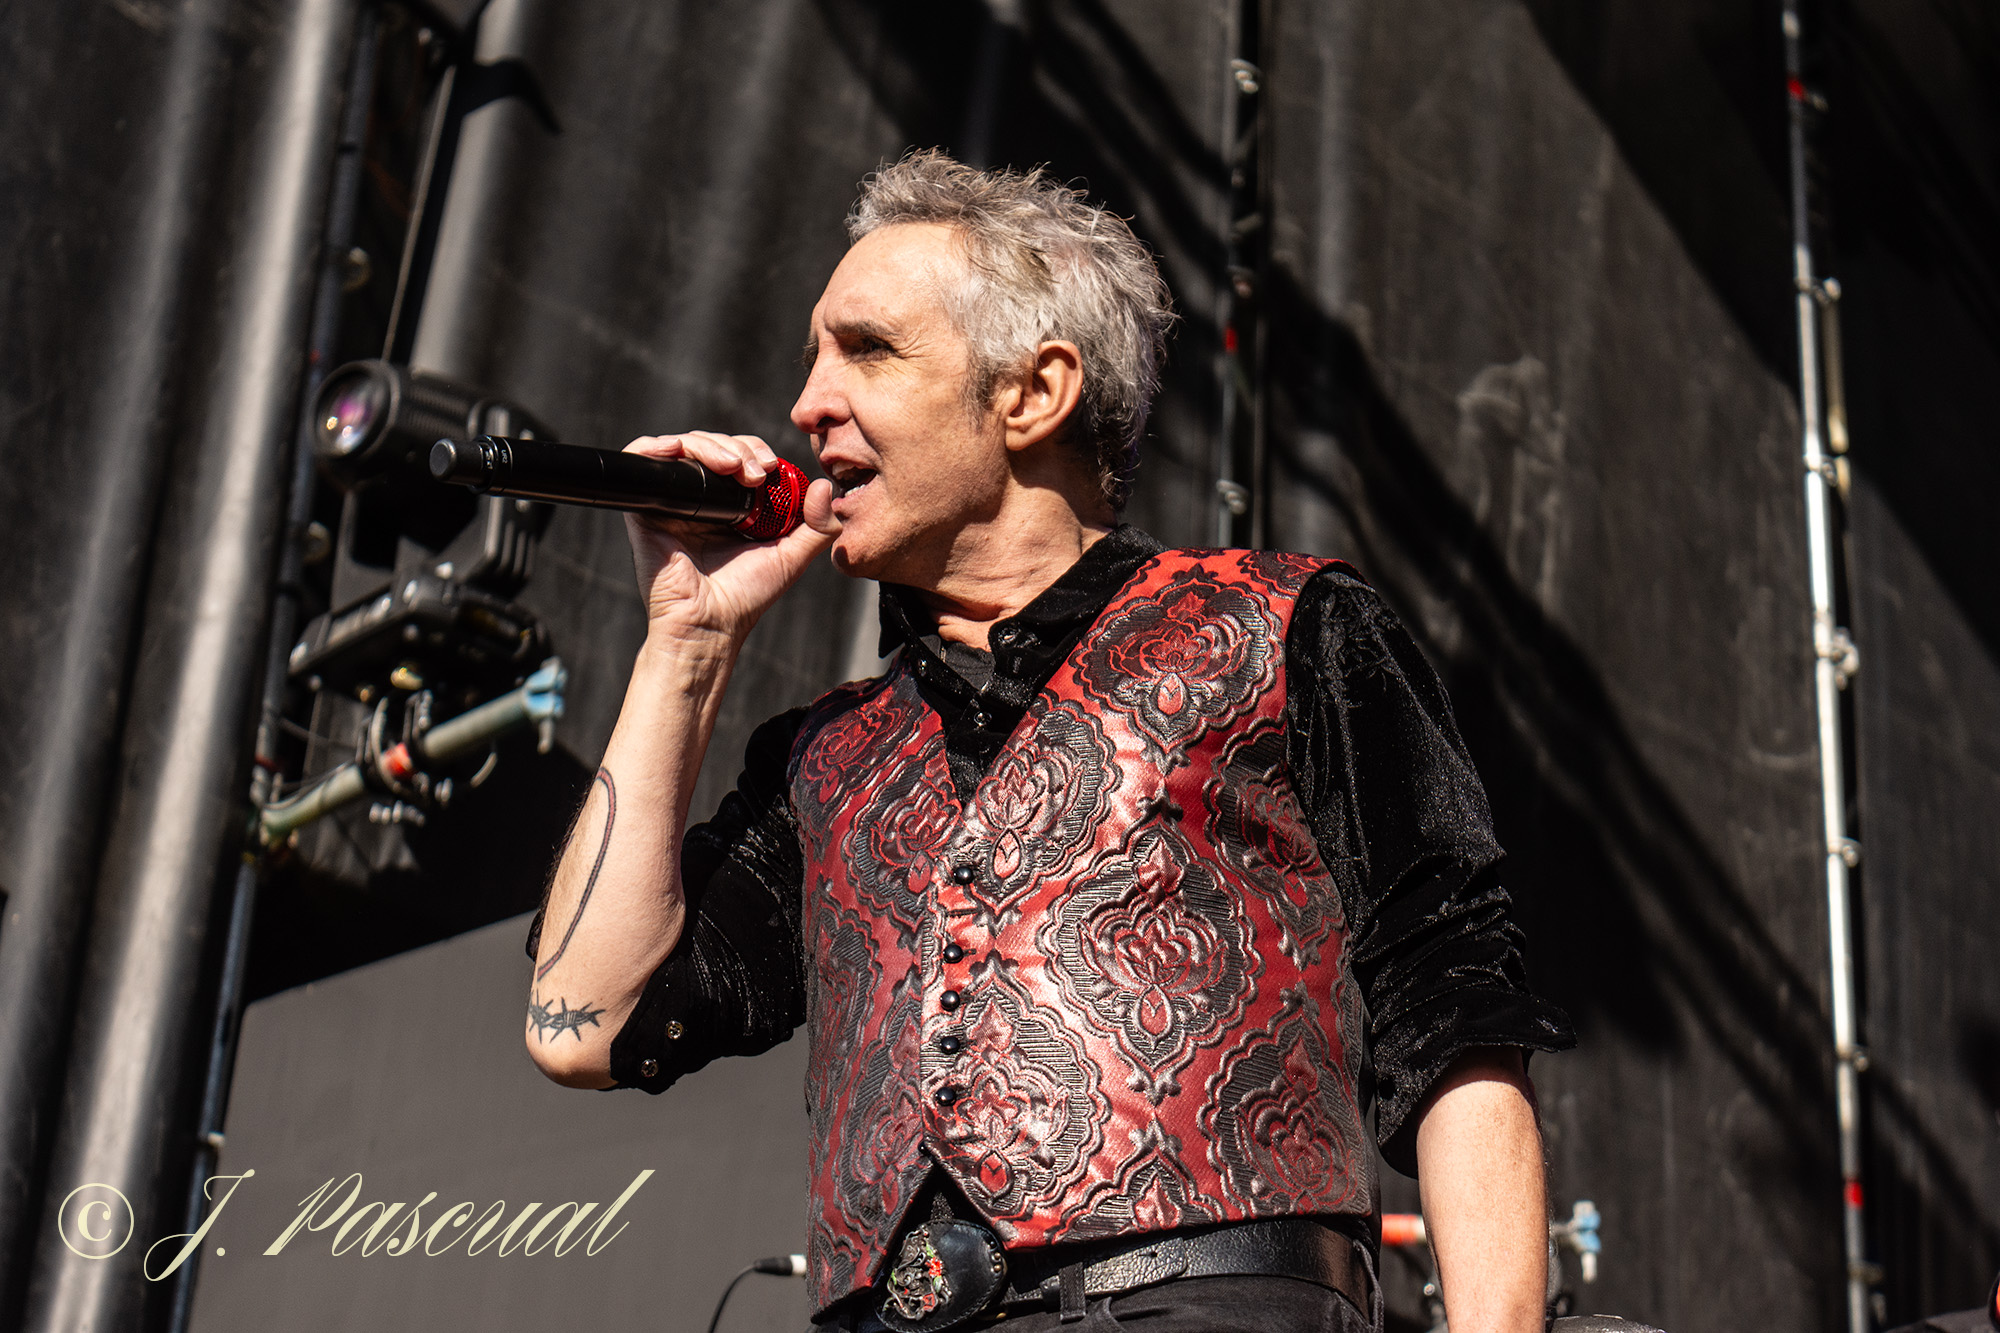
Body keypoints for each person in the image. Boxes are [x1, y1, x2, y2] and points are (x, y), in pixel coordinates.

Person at [523, 150, 1573, 1333]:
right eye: (813, 356)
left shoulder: (1284, 627)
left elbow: (1453, 1009)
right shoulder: (822, 758)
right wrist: (686, 642)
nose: (808, 403)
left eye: (866, 350)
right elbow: (586, 1022)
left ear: (1033, 392)